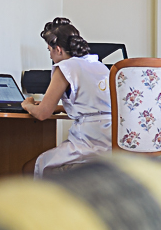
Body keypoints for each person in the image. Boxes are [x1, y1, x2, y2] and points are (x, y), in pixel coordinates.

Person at [22, 17, 112, 178]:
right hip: (111, 142)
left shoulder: (65, 66)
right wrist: (59, 107)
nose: (50, 56)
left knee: (30, 168)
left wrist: (28, 104)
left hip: (89, 141)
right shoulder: (99, 66)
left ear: (58, 49)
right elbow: (93, 107)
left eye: (49, 50)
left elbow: (42, 114)